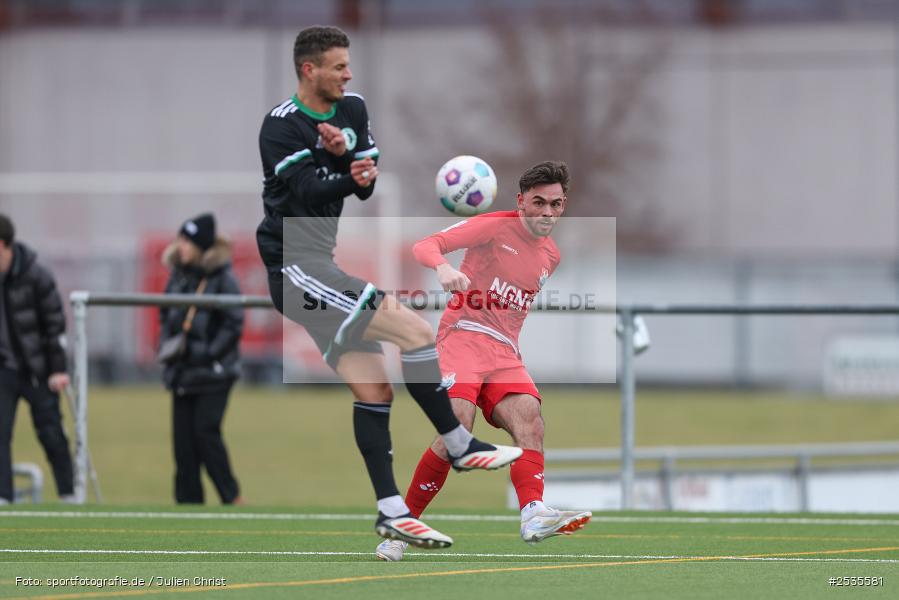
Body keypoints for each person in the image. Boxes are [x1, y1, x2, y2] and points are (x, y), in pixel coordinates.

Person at [256, 25, 522, 549]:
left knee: (376, 391)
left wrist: (347, 158)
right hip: (294, 265)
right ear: (309, 70)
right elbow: (310, 190)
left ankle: (392, 510)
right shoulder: (280, 127)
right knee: (417, 331)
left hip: (315, 262)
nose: (348, 73)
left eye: (348, 64)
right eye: (337, 66)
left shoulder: (350, 109)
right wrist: (342, 163)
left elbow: (367, 181)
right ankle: (459, 442)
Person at [376, 162, 593, 561]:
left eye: (556, 204)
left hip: (504, 352)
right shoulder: (494, 225)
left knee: (530, 417)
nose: (547, 212)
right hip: (461, 337)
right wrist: (442, 267)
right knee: (456, 430)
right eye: (538, 203)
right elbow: (426, 246)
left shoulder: (552, 255)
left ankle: (532, 515)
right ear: (521, 202)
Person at [160, 213, 242, 505]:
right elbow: (164, 316)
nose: (181, 246)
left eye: (188, 240)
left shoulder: (223, 278)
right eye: (180, 239)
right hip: (182, 371)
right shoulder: (177, 276)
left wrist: (208, 355)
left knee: (205, 434)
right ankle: (188, 506)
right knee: (183, 446)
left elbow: (234, 323)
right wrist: (168, 351)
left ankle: (231, 498)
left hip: (214, 374)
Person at [0, 214, 74, 504]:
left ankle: (69, 494)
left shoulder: (36, 276)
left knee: (51, 433)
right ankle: (3, 497)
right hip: (3, 369)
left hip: (37, 369)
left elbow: (54, 325)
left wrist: (58, 369)